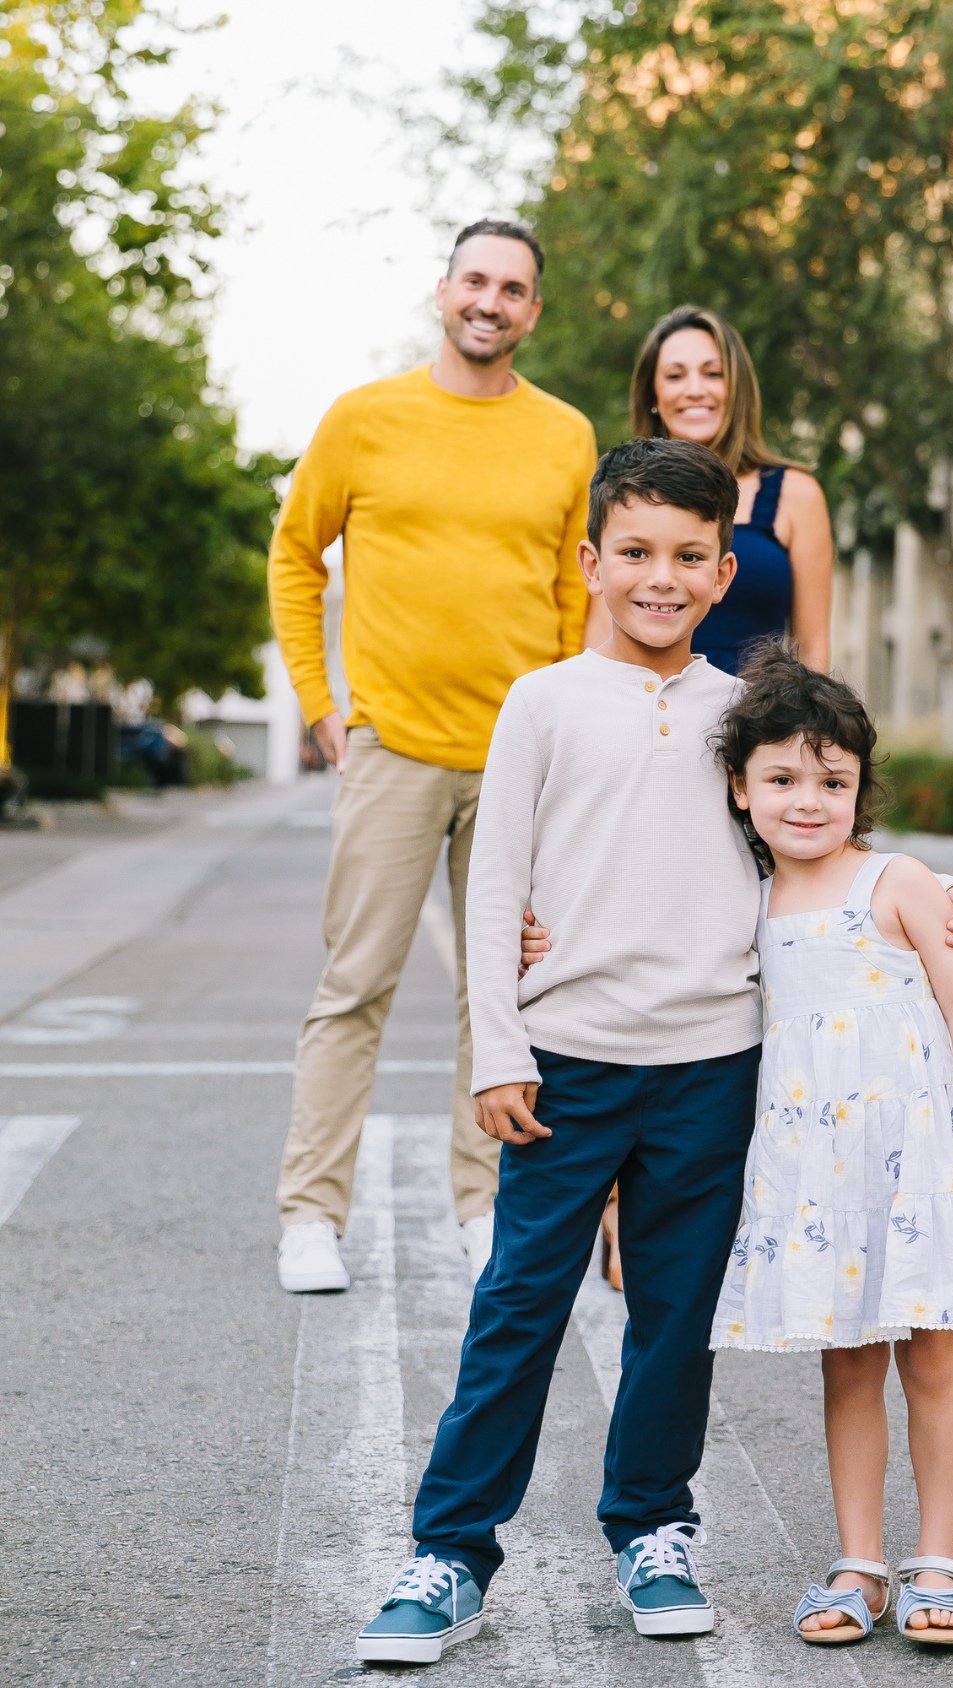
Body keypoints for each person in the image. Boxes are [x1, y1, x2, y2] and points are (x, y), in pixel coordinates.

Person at [355, 439, 953, 1666]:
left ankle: (652, 1524)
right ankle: (449, 1550)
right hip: (567, 1063)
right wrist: (501, 1047)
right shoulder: (540, 702)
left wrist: (950, 889)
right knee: (518, 1308)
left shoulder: (737, 713)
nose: (661, 577)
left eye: (689, 558)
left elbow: (822, 835)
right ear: (592, 562)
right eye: (637, 553)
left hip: (715, 1067)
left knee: (673, 1316)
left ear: (720, 576)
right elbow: (494, 890)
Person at [268, 218, 597, 1294]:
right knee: (355, 983)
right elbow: (294, 553)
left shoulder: (564, 436)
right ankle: (312, 1215)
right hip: (396, 749)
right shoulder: (365, 419)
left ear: (533, 310)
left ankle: (480, 1204)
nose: (491, 301)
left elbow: (567, 597)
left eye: (513, 288)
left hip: (518, 763)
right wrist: (323, 704)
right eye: (476, 281)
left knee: (499, 997)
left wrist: (568, 741)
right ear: (443, 291)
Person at [709, 646, 953, 1650]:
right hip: (817, 1176)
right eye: (783, 778)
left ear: (859, 788)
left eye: (832, 780)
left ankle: (939, 1556)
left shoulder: (898, 879)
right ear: (740, 785)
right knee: (846, 1368)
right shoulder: (741, 901)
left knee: (932, 1358)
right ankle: (859, 1562)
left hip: (918, 1161)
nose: (808, 800)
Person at [631, 304, 833, 676]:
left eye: (713, 373)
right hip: (645, 718)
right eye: (675, 376)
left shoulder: (797, 496)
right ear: (653, 396)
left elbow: (813, 649)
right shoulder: (622, 495)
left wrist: (805, 730)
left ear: (736, 388)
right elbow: (598, 634)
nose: (695, 390)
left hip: (756, 723)